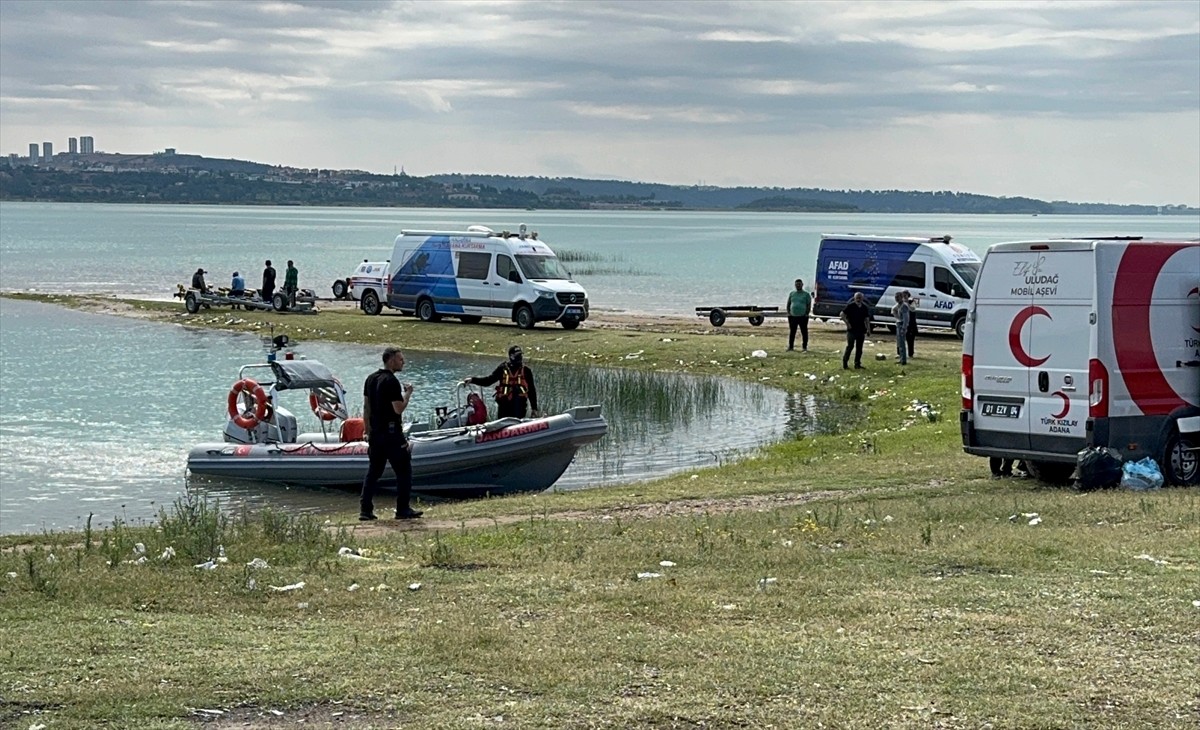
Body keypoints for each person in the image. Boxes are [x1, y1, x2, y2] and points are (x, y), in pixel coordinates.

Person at [360, 346, 422, 521]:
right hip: (392, 434)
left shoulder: (370, 379)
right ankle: (402, 509)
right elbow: (398, 409)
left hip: (376, 433)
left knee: (373, 471)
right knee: (403, 471)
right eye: (400, 359)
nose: (403, 362)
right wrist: (408, 394)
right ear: (391, 360)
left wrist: (367, 430)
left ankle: (365, 510)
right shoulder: (391, 381)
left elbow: (366, 407)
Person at [462, 345, 539, 419]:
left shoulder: (526, 371)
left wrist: (534, 408)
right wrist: (473, 380)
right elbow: (488, 381)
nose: (520, 358)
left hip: (520, 407)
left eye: (520, 355)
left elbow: (531, 391)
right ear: (511, 356)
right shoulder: (502, 368)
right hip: (504, 407)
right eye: (517, 355)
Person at [840, 292, 871, 370]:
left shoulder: (864, 307)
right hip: (852, 330)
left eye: (860, 297)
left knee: (859, 348)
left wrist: (868, 329)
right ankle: (845, 363)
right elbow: (842, 314)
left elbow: (866, 319)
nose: (858, 299)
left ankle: (857, 364)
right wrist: (847, 323)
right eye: (857, 297)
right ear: (854, 298)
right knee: (850, 346)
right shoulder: (850, 306)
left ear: (862, 298)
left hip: (861, 330)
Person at [786, 278, 812, 352]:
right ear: (795, 285)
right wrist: (789, 313)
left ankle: (804, 347)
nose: (798, 286)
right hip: (793, 316)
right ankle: (791, 347)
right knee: (792, 332)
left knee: (804, 332)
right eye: (797, 284)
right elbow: (788, 303)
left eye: (799, 284)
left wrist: (806, 313)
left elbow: (808, 305)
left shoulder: (806, 294)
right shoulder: (792, 293)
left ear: (802, 285)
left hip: (803, 316)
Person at [890, 291, 909, 365]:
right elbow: (893, 310)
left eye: (898, 297)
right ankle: (901, 358)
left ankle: (903, 360)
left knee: (902, 343)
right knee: (899, 343)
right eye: (895, 297)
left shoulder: (904, 306)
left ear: (901, 297)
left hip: (901, 325)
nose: (896, 299)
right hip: (898, 324)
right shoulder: (898, 305)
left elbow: (906, 318)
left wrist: (904, 328)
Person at [903, 290, 919, 358]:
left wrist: (907, 304)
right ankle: (900, 353)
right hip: (904, 323)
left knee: (910, 339)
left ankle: (910, 353)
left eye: (905, 295)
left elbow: (913, 309)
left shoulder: (912, 301)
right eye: (903, 296)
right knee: (901, 339)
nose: (904, 297)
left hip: (911, 323)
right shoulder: (901, 303)